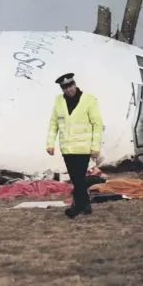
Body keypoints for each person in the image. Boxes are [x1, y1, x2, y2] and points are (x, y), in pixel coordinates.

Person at [46, 73, 103, 218]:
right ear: (62, 89)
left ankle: (75, 207)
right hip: (67, 149)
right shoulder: (59, 101)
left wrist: (95, 147)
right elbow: (54, 124)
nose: (68, 89)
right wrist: (50, 143)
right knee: (77, 179)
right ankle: (86, 204)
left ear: (75, 84)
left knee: (78, 179)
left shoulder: (89, 99)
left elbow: (97, 124)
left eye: (70, 85)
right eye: (65, 87)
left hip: (83, 148)